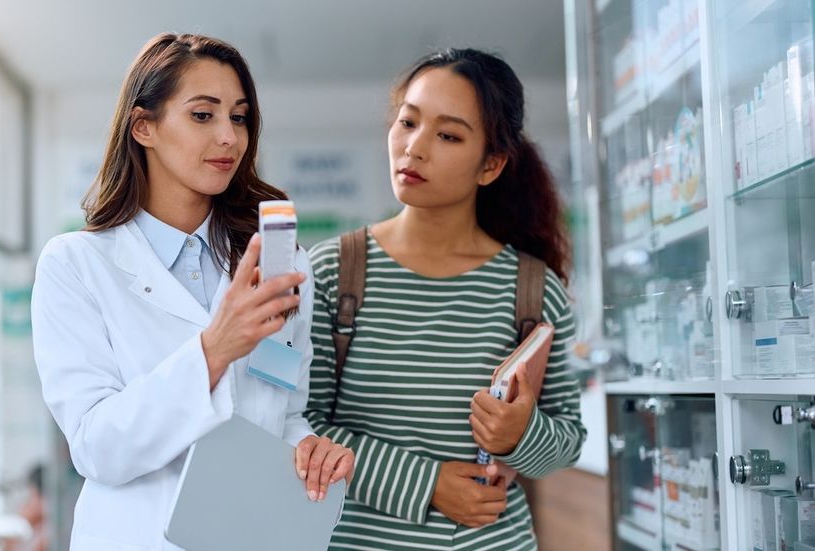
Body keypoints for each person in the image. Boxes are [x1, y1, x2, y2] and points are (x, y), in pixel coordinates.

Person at [31, 33, 353, 551]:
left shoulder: (281, 265)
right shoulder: (76, 265)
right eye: (203, 115)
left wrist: (311, 449)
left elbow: (284, 411)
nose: (230, 136)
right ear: (144, 127)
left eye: (240, 117)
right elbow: (96, 446)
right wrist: (213, 351)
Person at [305, 48, 586, 550]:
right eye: (407, 122)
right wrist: (427, 486)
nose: (414, 147)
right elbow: (300, 428)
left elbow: (566, 445)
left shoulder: (533, 287)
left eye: (448, 135)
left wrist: (520, 434)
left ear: (491, 165)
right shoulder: (333, 271)